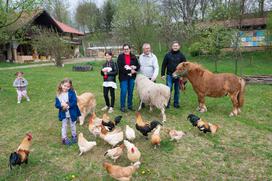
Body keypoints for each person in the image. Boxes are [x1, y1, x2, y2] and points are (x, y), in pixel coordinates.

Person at [55, 78, 81, 146]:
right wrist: (61, 105)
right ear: (61, 85)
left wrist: (68, 105)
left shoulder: (72, 93)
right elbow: (56, 105)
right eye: (65, 85)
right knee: (64, 126)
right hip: (64, 113)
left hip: (72, 112)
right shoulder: (59, 94)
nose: (66, 88)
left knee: (73, 125)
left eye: (68, 86)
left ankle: (74, 136)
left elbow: (74, 101)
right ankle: (64, 138)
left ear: (70, 86)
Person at [161, 41, 186, 108]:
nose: (175, 47)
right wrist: (162, 74)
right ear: (172, 47)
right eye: (174, 46)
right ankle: (167, 104)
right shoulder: (167, 55)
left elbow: (185, 67)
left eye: (176, 46)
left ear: (179, 47)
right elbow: (164, 65)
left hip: (178, 76)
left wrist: (182, 77)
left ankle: (176, 104)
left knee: (177, 91)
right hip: (169, 75)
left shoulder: (182, 55)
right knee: (168, 90)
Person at [117, 44, 140, 112]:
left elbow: (138, 65)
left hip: (132, 77)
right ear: (123, 50)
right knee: (123, 91)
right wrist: (130, 70)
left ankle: (130, 106)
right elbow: (120, 67)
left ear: (130, 49)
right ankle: (122, 106)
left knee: (130, 92)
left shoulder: (133, 56)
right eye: (124, 49)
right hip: (123, 77)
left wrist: (135, 68)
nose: (126, 50)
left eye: (127, 49)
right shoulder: (120, 57)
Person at [138, 43, 159, 108]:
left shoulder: (153, 57)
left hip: (151, 78)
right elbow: (139, 66)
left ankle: (152, 104)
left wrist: (154, 77)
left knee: (152, 92)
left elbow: (156, 67)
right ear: (143, 49)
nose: (147, 50)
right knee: (142, 91)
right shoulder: (141, 56)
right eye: (145, 48)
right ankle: (142, 103)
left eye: (148, 48)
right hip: (143, 79)